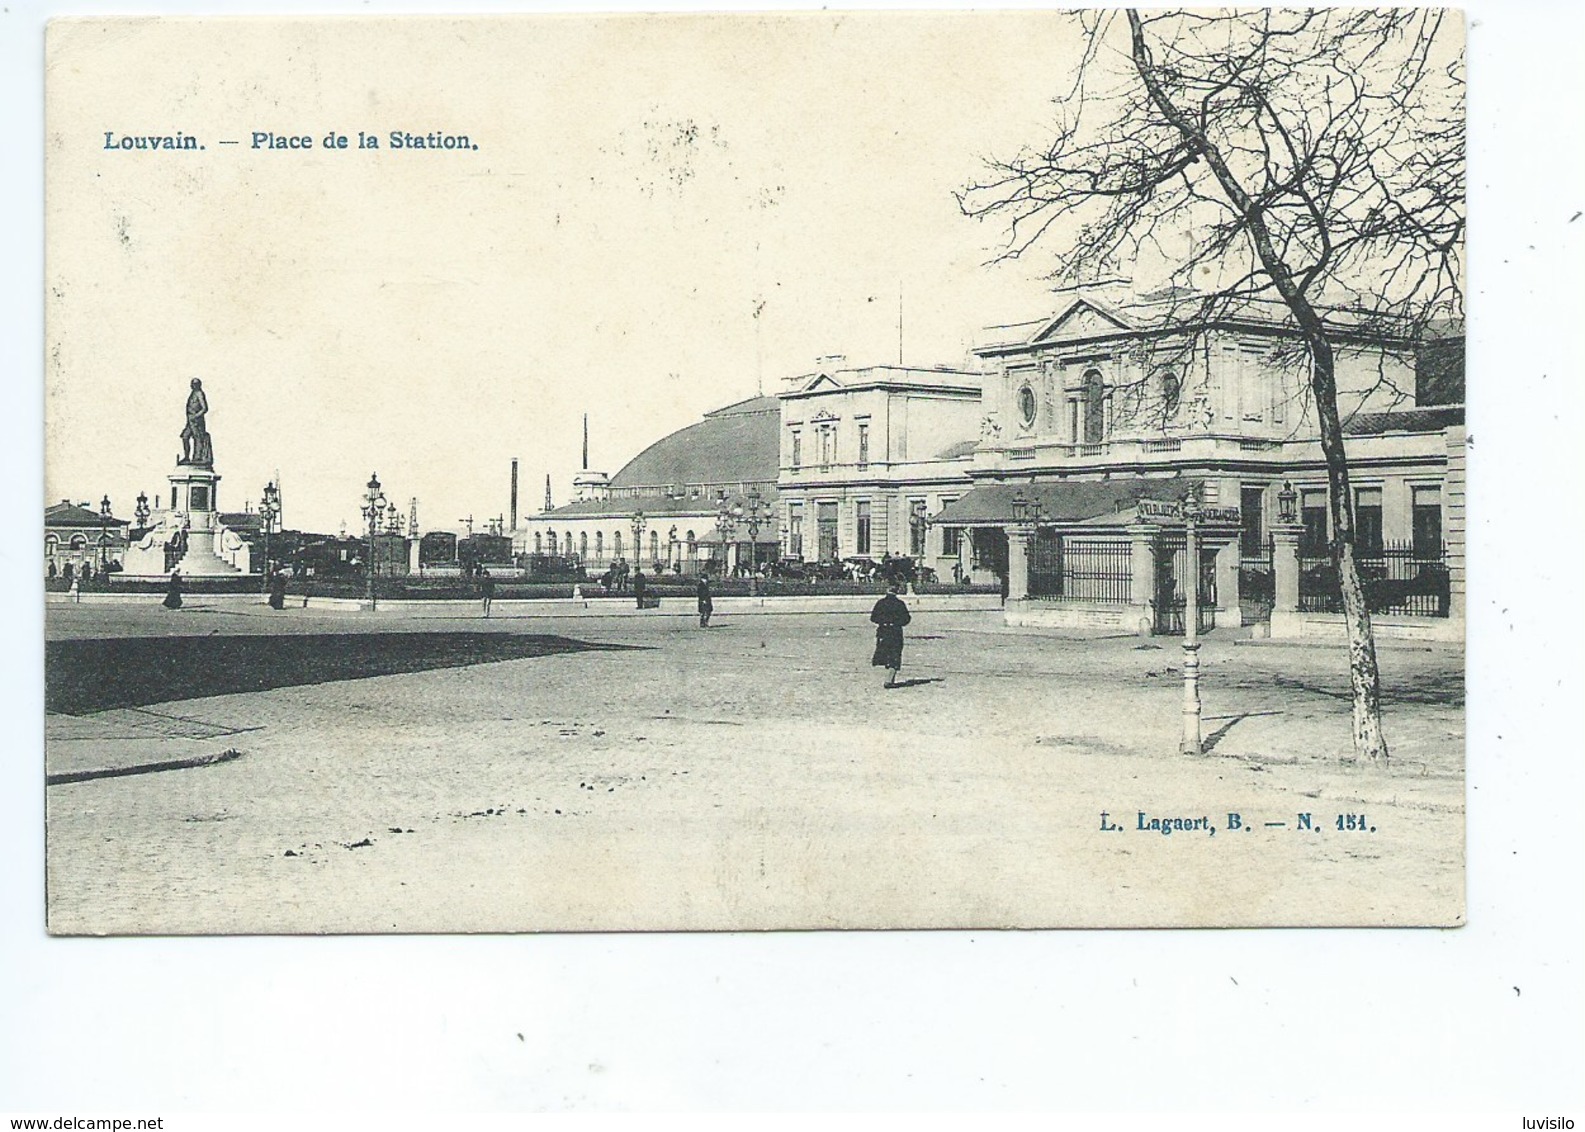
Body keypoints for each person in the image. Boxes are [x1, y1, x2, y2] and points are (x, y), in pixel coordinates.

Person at [869, 582, 911, 688]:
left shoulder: (880, 603)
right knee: (895, 654)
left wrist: (883, 621)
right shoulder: (900, 603)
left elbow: (873, 618)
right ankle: (889, 679)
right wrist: (897, 622)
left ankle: (887, 671)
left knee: (884, 651)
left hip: (883, 630)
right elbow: (906, 619)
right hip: (895, 631)